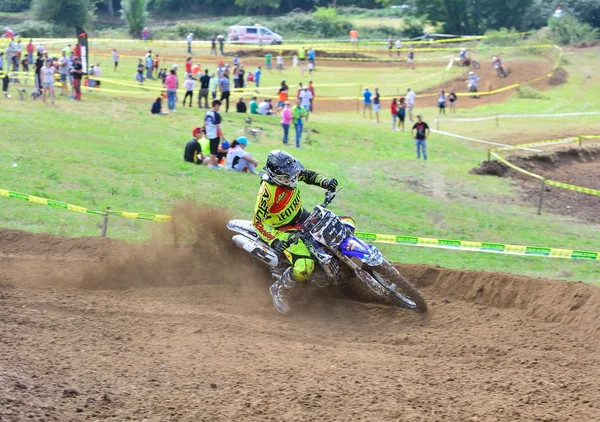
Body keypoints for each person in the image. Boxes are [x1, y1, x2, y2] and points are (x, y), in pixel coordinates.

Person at [253, 150, 338, 314]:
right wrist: (275, 241)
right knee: (305, 266)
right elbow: (257, 223)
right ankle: (279, 289)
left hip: (303, 217)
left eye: (292, 174)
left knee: (338, 227)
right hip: (284, 230)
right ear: (276, 175)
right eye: (288, 177)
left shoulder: (289, 173)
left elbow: (305, 174)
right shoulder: (266, 193)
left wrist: (325, 182)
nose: (293, 178)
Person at [205, 100, 224, 169]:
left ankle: (212, 163)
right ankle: (211, 164)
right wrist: (223, 136)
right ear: (216, 105)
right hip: (215, 134)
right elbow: (218, 127)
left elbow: (205, 123)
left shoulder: (208, 112)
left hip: (209, 133)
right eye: (219, 106)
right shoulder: (216, 114)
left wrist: (206, 132)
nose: (219, 108)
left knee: (212, 149)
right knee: (214, 150)